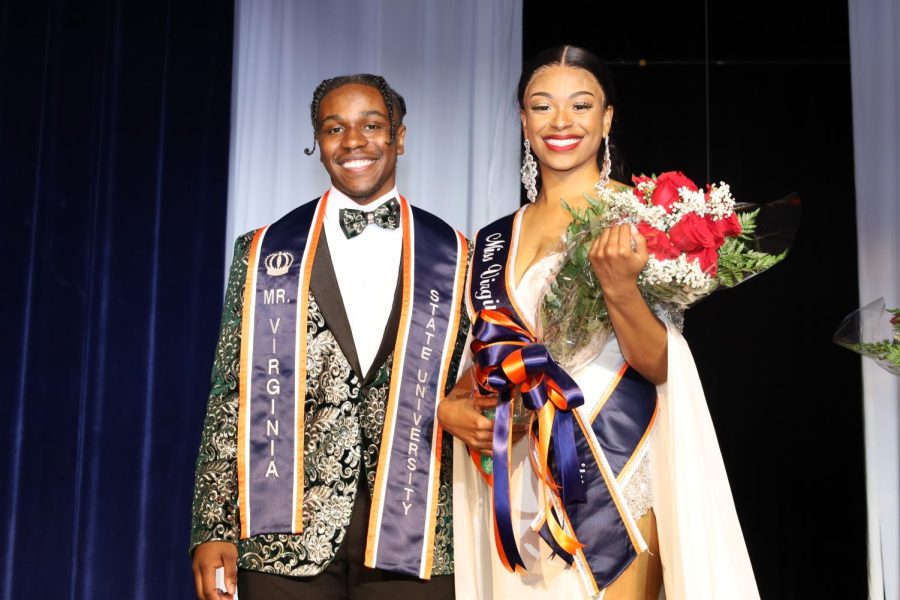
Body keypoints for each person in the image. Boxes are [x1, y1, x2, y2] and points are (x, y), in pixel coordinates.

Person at [438, 45, 760, 599]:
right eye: (542, 106)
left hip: (616, 466)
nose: (560, 122)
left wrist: (617, 286)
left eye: (580, 105)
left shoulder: (640, 217)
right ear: (522, 119)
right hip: (520, 478)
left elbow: (659, 361)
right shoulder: (493, 239)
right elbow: (486, 358)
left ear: (606, 116)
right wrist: (451, 407)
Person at [190, 74, 469, 600]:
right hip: (284, 533)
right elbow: (229, 392)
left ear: (400, 138)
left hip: (417, 530)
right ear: (318, 143)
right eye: (334, 128)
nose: (353, 141)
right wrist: (211, 527)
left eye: (372, 125)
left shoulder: (456, 255)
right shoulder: (263, 252)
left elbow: (476, 380)